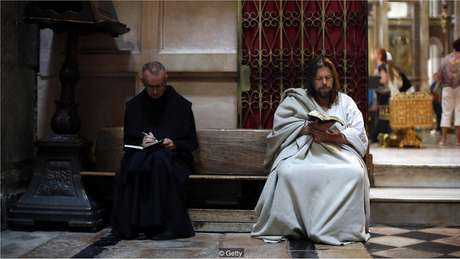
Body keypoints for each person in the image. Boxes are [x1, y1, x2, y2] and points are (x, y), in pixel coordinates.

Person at [251, 57, 370, 245]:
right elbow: (281, 127)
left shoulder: (346, 102)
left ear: (334, 79)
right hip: (305, 150)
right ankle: (294, 227)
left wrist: (329, 136)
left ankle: (339, 229)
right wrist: (306, 128)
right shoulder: (298, 100)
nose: (324, 83)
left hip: (339, 152)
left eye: (328, 78)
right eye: (319, 78)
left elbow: (358, 134)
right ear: (311, 80)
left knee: (354, 173)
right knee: (287, 172)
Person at [111, 61, 198, 240]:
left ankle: (165, 227)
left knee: (158, 161)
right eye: (151, 87)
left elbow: (191, 142)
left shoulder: (181, 105)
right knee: (137, 163)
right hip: (142, 156)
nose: (156, 91)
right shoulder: (134, 106)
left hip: (175, 159)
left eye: (160, 86)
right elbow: (128, 142)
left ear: (166, 80)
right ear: (142, 81)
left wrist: (174, 144)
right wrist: (142, 142)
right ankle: (133, 226)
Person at [438, 38, 460, 145]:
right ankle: (458, 140)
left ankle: (443, 139)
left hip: (447, 88)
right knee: (459, 112)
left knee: (446, 113)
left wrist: (444, 84)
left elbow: (439, 74)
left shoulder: (446, 59)